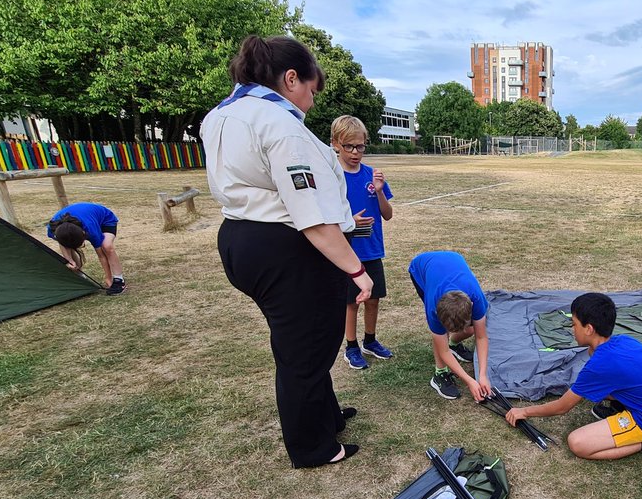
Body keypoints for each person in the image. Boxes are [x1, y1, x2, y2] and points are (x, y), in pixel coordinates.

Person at [201, 35, 374, 469]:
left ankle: (326, 417)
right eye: (311, 91)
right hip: (284, 247)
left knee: (302, 342)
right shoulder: (277, 123)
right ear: (290, 77)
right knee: (306, 351)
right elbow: (311, 215)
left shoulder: (220, 115)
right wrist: (356, 270)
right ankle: (311, 447)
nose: (312, 102)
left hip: (242, 238)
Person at [505, 293, 642, 460]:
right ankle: (620, 408)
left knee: (578, 443)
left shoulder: (600, 365)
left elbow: (562, 407)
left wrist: (524, 411)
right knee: (597, 385)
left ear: (588, 329)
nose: (572, 329)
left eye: (574, 324)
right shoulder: (623, 340)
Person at [329, 115, 395, 370]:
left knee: (374, 299)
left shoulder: (371, 175)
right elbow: (327, 220)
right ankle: (352, 346)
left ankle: (370, 340)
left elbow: (387, 214)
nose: (356, 152)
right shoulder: (332, 177)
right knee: (351, 303)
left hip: (372, 250)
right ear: (336, 143)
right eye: (349, 146)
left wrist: (379, 190)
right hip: (346, 253)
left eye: (360, 146)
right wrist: (350, 223)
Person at [407, 251, 491, 401]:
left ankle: (454, 345)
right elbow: (443, 351)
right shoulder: (433, 307)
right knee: (440, 336)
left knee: (473, 329)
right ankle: (440, 373)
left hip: (452, 260)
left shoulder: (476, 298)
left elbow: (481, 336)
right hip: (421, 267)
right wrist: (469, 381)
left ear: (471, 306)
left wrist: (482, 375)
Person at [46, 202, 126, 295]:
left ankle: (119, 280)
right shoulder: (53, 229)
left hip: (105, 219)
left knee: (106, 246)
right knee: (68, 246)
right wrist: (69, 260)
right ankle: (79, 275)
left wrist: (108, 278)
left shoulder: (90, 228)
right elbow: (63, 243)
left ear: (84, 234)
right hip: (77, 222)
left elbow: (101, 256)